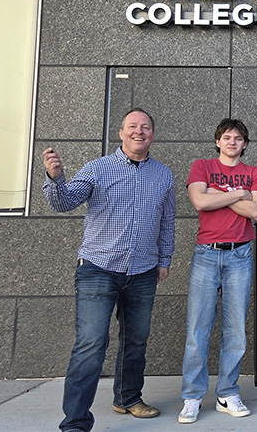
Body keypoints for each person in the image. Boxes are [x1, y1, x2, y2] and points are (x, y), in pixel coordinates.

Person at [43, 108, 175, 432]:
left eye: (145, 127)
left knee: (136, 340)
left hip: (143, 271)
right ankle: (75, 422)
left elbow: (167, 222)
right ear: (121, 132)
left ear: (152, 135)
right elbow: (64, 202)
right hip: (98, 269)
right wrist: (55, 178)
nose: (139, 132)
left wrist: (164, 260)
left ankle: (127, 398)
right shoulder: (98, 168)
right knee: (91, 344)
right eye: (132, 126)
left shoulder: (164, 175)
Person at [178, 119, 257, 424]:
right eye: (227, 137)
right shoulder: (201, 165)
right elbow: (199, 200)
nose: (232, 142)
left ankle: (227, 392)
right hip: (206, 254)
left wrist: (220, 194)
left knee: (235, 330)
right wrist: (239, 194)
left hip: (240, 254)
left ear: (244, 144)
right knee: (197, 329)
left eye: (238, 138)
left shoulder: (254, 173)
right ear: (218, 141)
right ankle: (192, 396)